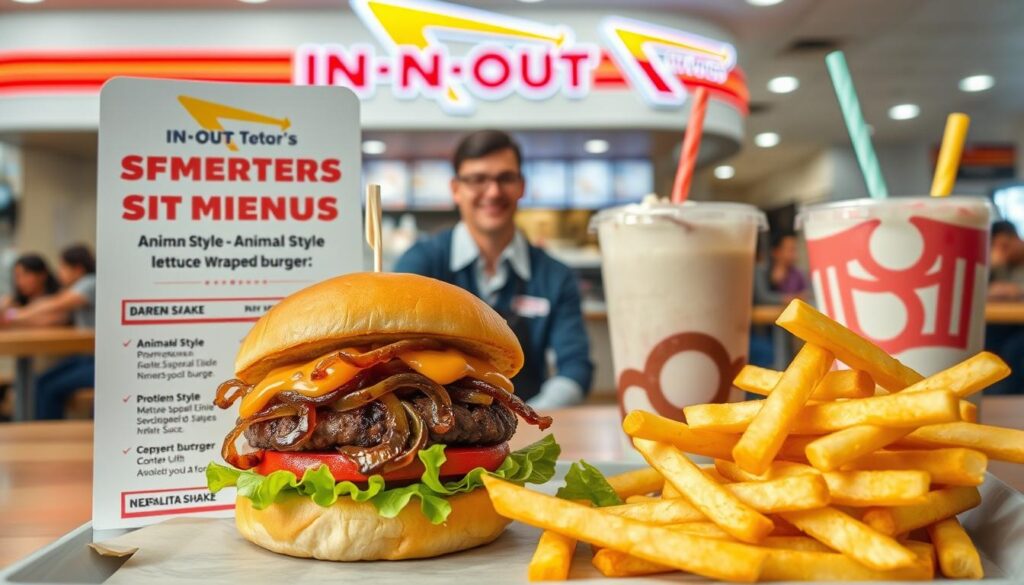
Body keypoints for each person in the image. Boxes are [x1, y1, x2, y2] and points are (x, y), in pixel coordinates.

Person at [394, 130, 593, 407]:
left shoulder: (555, 276)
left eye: (505, 178)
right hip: (436, 430)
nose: (493, 191)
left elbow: (575, 367)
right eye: (477, 179)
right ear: (455, 189)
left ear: (521, 185)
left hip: (524, 427)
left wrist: (528, 416)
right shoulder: (420, 265)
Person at [2, 244, 96, 418]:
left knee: (48, 388)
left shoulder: (89, 283)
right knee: (40, 383)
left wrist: (12, 316)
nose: (59, 271)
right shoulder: (81, 286)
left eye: (63, 266)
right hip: (86, 358)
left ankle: (45, 437)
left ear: (77, 269)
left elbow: (54, 305)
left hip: (97, 361)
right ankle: (35, 432)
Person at [0, 253, 68, 325]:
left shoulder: (61, 297)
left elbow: (52, 319)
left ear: (42, 275)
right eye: (17, 276)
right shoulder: (15, 300)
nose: (20, 282)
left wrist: (11, 315)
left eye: (26, 275)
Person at [753, 233, 807, 305]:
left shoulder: (798, 274)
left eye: (795, 250)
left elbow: (805, 296)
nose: (794, 255)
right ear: (776, 252)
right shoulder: (762, 270)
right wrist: (774, 283)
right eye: (790, 250)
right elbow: (762, 298)